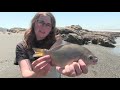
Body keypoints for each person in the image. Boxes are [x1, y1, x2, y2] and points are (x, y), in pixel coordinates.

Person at [14, 12, 88, 78]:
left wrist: (72, 66)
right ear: (34, 23)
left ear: (51, 29)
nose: (44, 27)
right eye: (41, 22)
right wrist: (36, 74)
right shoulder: (22, 46)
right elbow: (25, 73)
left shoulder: (57, 43)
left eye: (48, 25)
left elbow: (69, 55)